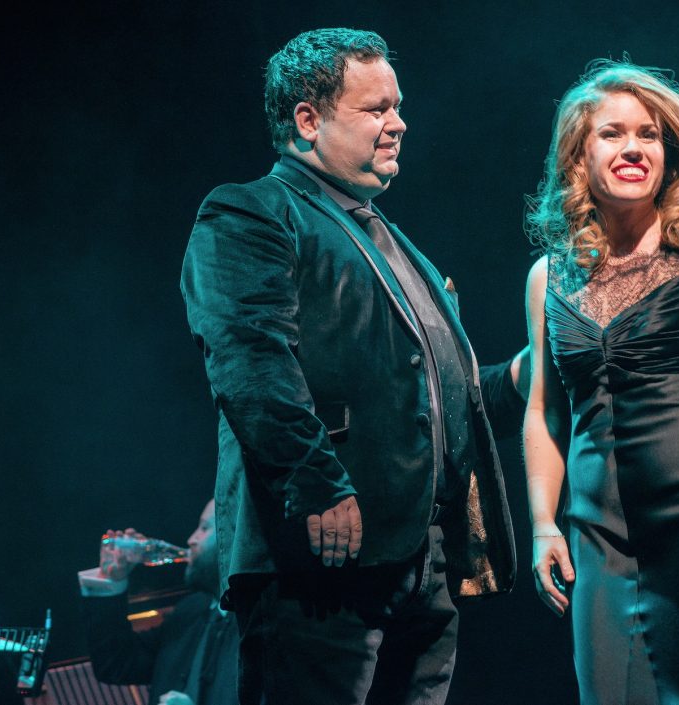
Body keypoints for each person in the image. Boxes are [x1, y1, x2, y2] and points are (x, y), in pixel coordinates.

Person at [180, 28, 527, 705]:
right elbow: (250, 362)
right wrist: (315, 482)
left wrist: (527, 373)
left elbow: (440, 402)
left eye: (398, 106)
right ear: (307, 120)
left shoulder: (394, 244)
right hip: (322, 558)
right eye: (376, 109)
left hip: (421, 564)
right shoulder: (250, 212)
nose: (398, 123)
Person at [522, 60, 679, 705]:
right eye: (612, 134)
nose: (634, 148)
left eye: (649, 135)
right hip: (599, 537)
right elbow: (544, 410)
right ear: (579, 156)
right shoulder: (547, 276)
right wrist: (544, 524)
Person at [77, 499, 237, 705]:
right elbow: (116, 664)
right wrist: (111, 579)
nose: (191, 539)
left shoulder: (264, 620)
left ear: (235, 537)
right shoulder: (190, 612)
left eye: (204, 528)